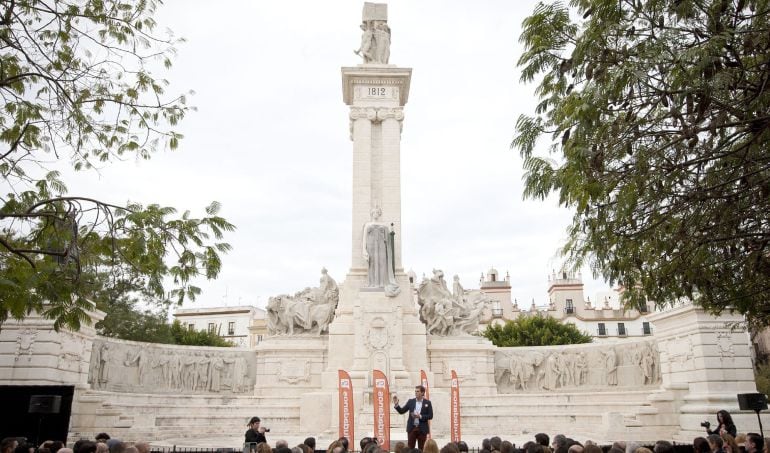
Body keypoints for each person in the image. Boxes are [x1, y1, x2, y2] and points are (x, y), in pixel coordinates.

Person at [392, 385, 433, 450]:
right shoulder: (411, 401)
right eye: (415, 391)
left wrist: (420, 416)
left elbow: (430, 416)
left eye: (418, 391)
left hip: (422, 429)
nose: (416, 393)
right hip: (412, 428)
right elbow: (402, 411)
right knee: (410, 448)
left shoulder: (427, 403)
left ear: (422, 393)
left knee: (421, 449)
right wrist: (396, 405)